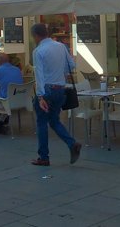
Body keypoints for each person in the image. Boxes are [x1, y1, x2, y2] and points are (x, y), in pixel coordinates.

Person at [30, 23, 81, 166]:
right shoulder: (61, 46)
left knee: (41, 122)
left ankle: (44, 157)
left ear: (35, 36)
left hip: (47, 89)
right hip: (60, 89)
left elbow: (39, 75)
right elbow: (71, 66)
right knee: (54, 120)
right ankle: (72, 144)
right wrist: (59, 73)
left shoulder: (38, 51)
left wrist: (40, 96)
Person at [0, 53, 23, 134]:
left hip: (7, 103)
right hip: (21, 101)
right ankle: (2, 123)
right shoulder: (17, 70)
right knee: (4, 97)